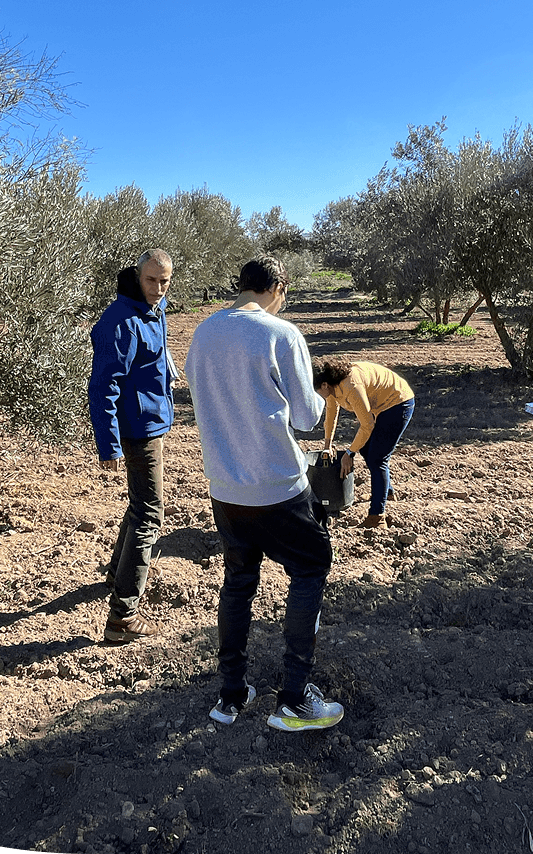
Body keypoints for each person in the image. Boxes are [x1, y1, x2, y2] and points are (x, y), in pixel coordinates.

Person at [185, 257, 344, 732]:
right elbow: (305, 419)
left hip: (225, 489)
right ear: (277, 287)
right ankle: (294, 698)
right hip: (277, 486)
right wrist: (321, 396)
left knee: (238, 583)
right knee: (311, 566)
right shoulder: (281, 333)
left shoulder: (203, 333)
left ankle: (231, 694)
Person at [89, 249, 178, 643]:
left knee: (139, 505)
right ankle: (122, 616)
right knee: (149, 515)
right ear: (136, 276)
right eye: (151, 280)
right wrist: (108, 443)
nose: (158, 288)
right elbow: (104, 385)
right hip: (137, 432)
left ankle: (115, 573)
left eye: (165, 280)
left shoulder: (151, 311)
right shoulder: (122, 321)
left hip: (151, 423)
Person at [313, 357, 416, 530]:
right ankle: (386, 493)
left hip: (398, 402)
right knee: (368, 450)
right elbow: (331, 412)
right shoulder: (332, 386)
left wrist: (349, 453)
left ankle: (377, 517)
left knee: (378, 459)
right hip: (382, 406)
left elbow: (367, 425)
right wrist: (327, 444)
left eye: (315, 389)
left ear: (324, 385)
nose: (315, 394)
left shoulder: (351, 386)